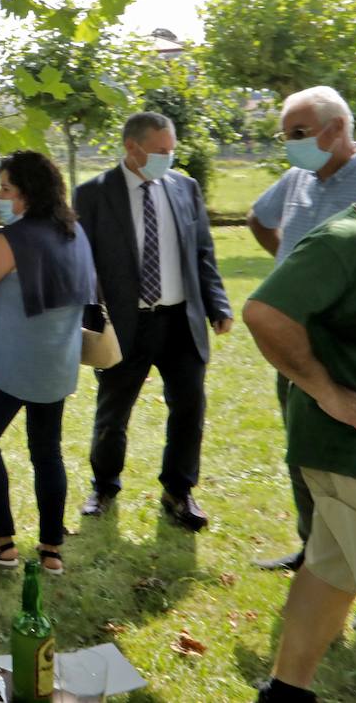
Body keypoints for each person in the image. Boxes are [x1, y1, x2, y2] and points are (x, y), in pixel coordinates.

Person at [244, 126, 356, 702]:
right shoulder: (346, 241)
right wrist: (327, 391)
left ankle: (286, 693)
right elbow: (264, 312)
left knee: (330, 572)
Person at [75, 112, 233, 531]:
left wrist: (218, 304)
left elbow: (203, 250)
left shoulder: (185, 188)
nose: (169, 157)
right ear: (132, 147)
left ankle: (178, 491)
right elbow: (81, 262)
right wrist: (86, 317)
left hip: (180, 321)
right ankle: (104, 485)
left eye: (172, 150)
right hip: (125, 325)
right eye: (162, 151)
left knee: (189, 407)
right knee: (113, 411)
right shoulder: (93, 194)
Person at [246, 86, 356, 583]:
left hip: (354, 350)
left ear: (339, 128)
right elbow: (259, 219)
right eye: (287, 136)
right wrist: (290, 275)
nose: (292, 145)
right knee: (304, 452)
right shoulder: (298, 177)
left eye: (299, 134)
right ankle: (313, 550)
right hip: (296, 346)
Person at [0, 151, 95, 575]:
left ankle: (0, 541)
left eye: (5, 189)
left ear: (27, 195)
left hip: (12, 367)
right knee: (46, 452)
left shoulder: (14, 239)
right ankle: (51, 550)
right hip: (56, 365)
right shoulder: (73, 232)